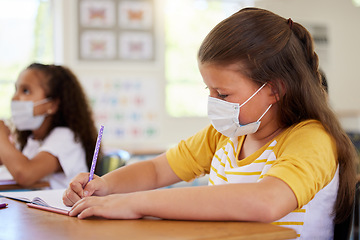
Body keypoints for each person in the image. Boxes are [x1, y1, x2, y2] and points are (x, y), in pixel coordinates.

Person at [62, 8, 358, 239]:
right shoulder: (223, 137)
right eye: (209, 91)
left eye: (223, 93)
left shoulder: (312, 140)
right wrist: (104, 187)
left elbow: (265, 202)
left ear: (274, 89)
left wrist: (136, 203)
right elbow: (156, 169)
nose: (214, 102)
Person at [0, 63, 101, 189]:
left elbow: (24, 174)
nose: (14, 98)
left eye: (25, 91)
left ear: (52, 105)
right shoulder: (32, 140)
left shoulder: (65, 137)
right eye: (16, 89)